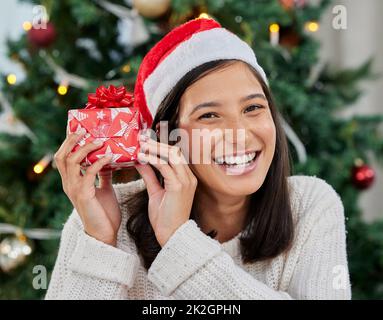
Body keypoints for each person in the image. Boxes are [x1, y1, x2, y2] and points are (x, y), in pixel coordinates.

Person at [46, 18, 351, 299]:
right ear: (165, 138)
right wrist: (100, 244)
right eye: (209, 115)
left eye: (253, 108)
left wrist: (179, 242)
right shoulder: (103, 217)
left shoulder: (310, 206)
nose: (240, 134)